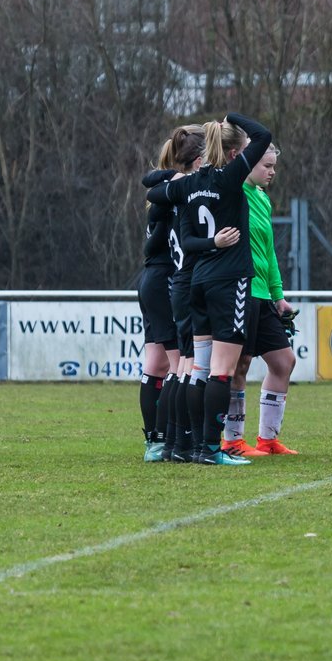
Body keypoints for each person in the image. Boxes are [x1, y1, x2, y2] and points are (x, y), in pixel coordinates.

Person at [148, 112, 272, 465]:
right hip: (229, 280)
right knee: (222, 370)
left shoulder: (189, 185)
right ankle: (210, 448)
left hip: (198, 281)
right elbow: (264, 133)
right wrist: (233, 116)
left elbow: (160, 198)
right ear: (234, 152)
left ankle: (182, 446)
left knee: (196, 369)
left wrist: (174, 177)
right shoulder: (230, 178)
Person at [221, 145, 300, 458]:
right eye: (266, 165)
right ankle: (233, 442)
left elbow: (268, 252)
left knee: (284, 362)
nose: (272, 172)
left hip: (264, 297)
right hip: (242, 290)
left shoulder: (263, 199)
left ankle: (268, 441)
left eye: (274, 167)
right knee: (239, 365)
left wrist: (278, 296)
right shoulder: (236, 190)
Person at [137, 138, 181, 462]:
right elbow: (153, 247)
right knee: (177, 364)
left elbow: (149, 179)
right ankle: (164, 439)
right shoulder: (171, 195)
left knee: (155, 364)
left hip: (151, 280)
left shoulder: (163, 187)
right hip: (163, 278)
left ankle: (155, 440)